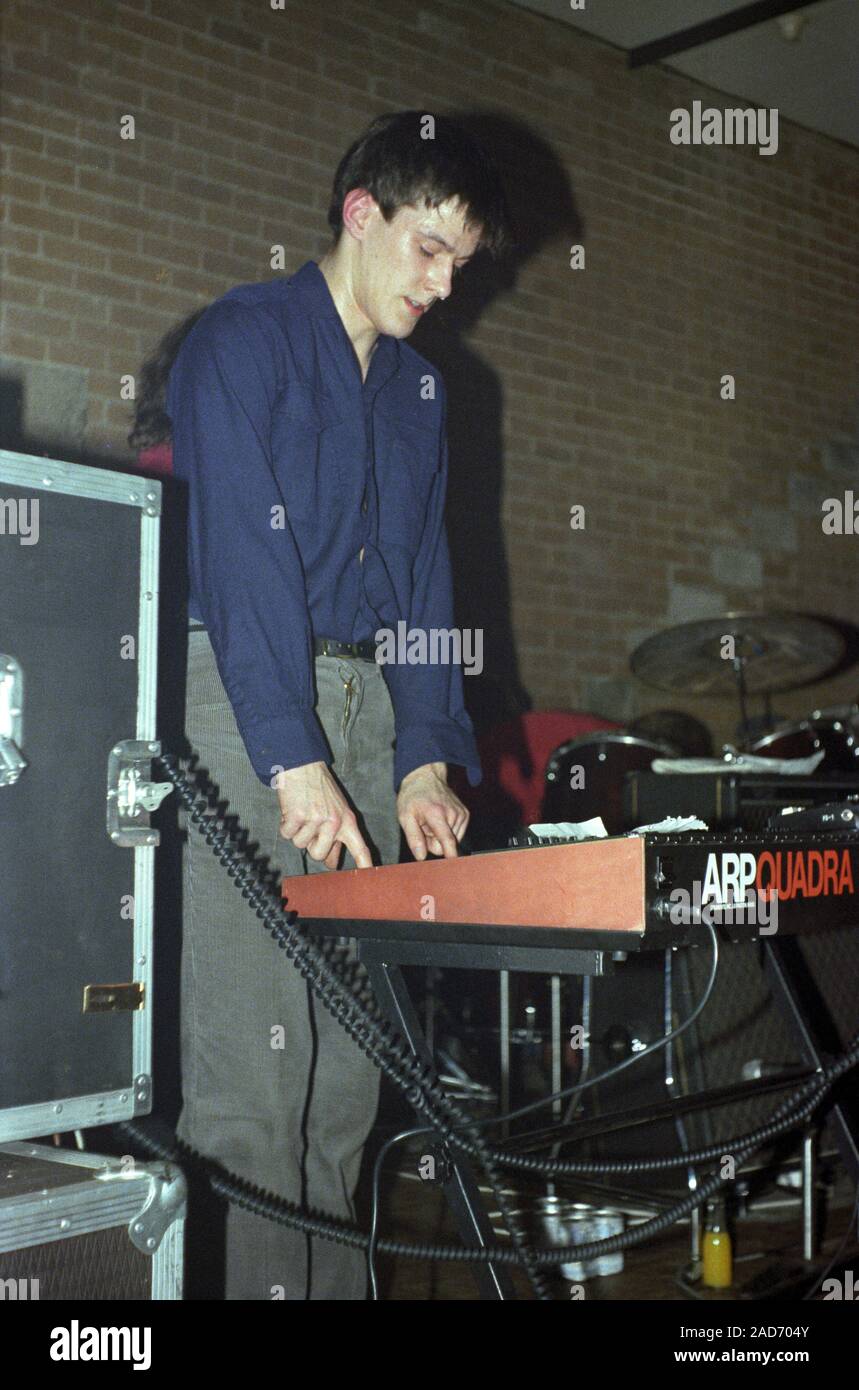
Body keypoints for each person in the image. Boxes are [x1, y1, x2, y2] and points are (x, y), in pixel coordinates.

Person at [163, 110, 513, 1299]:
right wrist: (287, 754)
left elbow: (425, 581)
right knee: (255, 1087)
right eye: (427, 248)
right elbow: (241, 568)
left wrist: (425, 753)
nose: (443, 283)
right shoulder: (242, 339)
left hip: (365, 712)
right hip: (248, 702)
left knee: (351, 1078)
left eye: (461, 262)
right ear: (359, 212)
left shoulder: (422, 395)